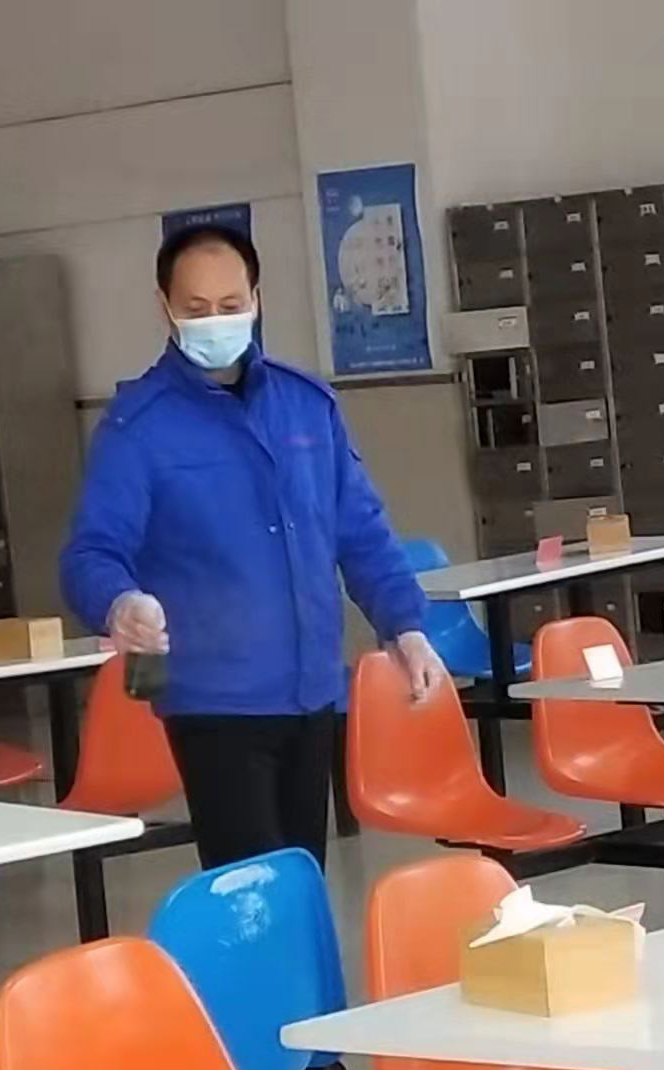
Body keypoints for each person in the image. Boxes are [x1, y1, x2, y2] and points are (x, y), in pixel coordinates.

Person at [60, 222, 446, 870]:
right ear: (165, 308)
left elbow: (362, 531)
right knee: (253, 890)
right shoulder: (137, 427)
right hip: (214, 701)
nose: (216, 321)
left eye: (230, 304)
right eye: (196, 308)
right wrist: (118, 603)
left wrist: (404, 626)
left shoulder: (307, 406)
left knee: (298, 877)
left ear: (256, 300)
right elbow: (90, 553)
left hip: (311, 692)